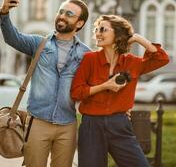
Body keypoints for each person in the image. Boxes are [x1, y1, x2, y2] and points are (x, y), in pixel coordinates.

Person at [0, 0, 90, 167]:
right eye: (61, 11)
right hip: (38, 121)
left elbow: (97, 83)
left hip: (67, 125)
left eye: (69, 14)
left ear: (79, 23)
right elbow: (12, 37)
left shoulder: (86, 54)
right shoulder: (39, 43)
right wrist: (4, 12)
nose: (62, 16)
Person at [71, 15, 170, 167]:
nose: (97, 33)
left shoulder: (132, 62)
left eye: (103, 29)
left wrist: (136, 38)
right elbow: (76, 92)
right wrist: (105, 86)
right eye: (96, 29)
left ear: (117, 34)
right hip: (91, 125)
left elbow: (162, 58)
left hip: (120, 124)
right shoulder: (90, 59)